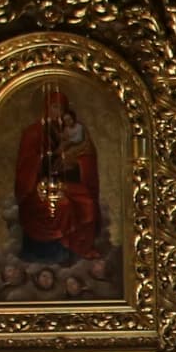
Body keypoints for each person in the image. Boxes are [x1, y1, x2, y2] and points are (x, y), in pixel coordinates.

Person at [13, 87, 105, 268]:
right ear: (46, 108)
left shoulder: (72, 130)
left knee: (86, 202)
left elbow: (86, 156)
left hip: (65, 182)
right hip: (38, 186)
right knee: (61, 206)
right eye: (55, 107)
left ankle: (76, 248)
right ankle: (53, 253)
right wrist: (43, 161)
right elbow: (26, 165)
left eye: (62, 109)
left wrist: (74, 164)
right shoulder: (32, 132)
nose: (59, 113)